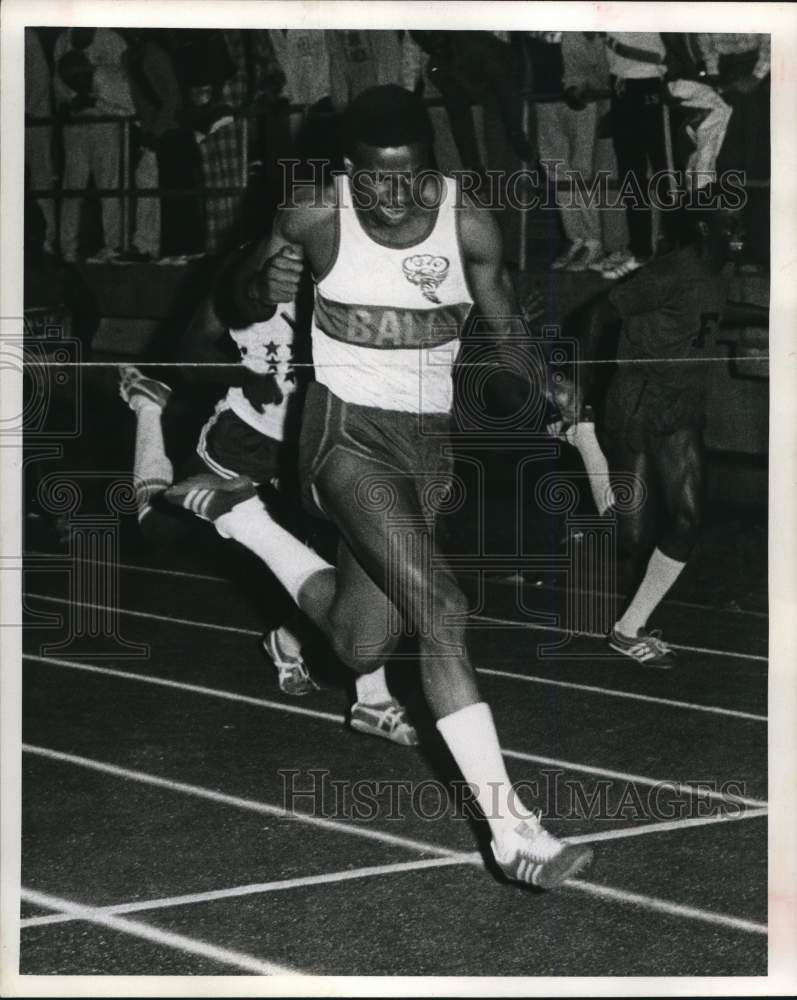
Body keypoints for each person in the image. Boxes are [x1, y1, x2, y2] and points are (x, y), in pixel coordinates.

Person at [165, 85, 593, 889]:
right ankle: (512, 832)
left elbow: (501, 328)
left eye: (407, 178)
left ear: (430, 166)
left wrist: (544, 383)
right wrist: (261, 276)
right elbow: (230, 306)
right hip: (342, 440)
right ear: (345, 171)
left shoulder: (467, 223)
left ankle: (246, 520)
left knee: (360, 643)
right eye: (372, 180)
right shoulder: (311, 216)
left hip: (426, 449)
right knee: (443, 611)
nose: (390, 196)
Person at [118, 281, 418, 743]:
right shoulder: (256, 264)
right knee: (158, 528)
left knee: (357, 544)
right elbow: (191, 350)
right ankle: (146, 406)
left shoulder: (356, 263)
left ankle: (369, 694)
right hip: (249, 436)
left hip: (321, 438)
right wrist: (243, 375)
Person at [580, 196, 748, 666]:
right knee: (629, 535)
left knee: (688, 519)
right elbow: (598, 315)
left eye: (743, 222)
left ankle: (628, 629)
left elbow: (710, 310)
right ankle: (583, 440)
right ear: (702, 226)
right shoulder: (669, 271)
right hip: (638, 400)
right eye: (730, 223)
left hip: (683, 407)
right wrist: (583, 394)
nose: (741, 232)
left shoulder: (720, 271)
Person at [53, 27, 135, 263]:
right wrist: (70, 102)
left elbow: (127, 91)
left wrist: (95, 99)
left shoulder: (110, 40)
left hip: (106, 124)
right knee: (72, 188)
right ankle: (67, 249)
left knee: (109, 187)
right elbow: (58, 86)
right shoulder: (62, 40)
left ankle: (114, 246)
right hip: (76, 126)